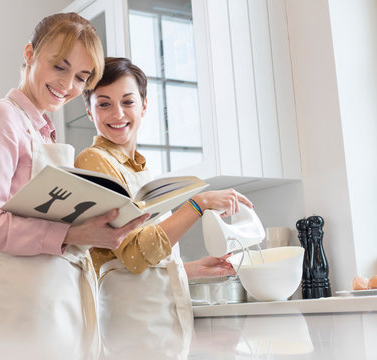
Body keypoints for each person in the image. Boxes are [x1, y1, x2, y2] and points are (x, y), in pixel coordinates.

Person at [0, 15, 149, 360]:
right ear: (30, 53)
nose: (69, 85)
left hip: (56, 303)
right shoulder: (1, 117)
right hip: (21, 307)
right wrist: (73, 235)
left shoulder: (43, 130)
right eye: (60, 67)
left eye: (82, 77)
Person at [75, 57, 253, 359]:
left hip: (161, 321)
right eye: (104, 104)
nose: (117, 113)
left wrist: (190, 270)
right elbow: (131, 253)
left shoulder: (142, 170)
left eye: (128, 101)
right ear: (89, 111)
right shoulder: (94, 161)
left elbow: (141, 262)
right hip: (135, 325)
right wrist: (198, 204)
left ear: (144, 106)